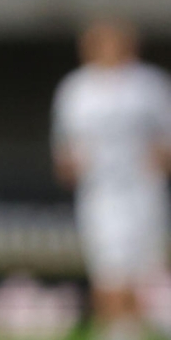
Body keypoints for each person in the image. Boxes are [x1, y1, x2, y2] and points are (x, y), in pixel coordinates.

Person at [54, 18, 171, 340]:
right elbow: (64, 149)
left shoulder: (150, 85)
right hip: (101, 195)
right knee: (108, 272)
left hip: (143, 193)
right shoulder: (76, 89)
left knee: (145, 272)